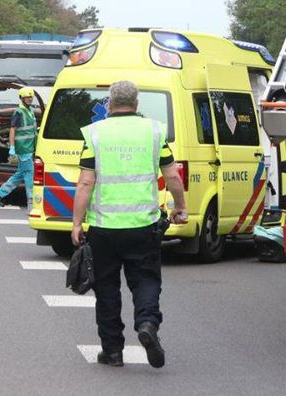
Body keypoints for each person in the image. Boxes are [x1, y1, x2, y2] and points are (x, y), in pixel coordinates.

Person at [71, 80, 188, 369]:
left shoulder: (95, 134)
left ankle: (112, 352)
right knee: (146, 281)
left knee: (107, 289)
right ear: (137, 105)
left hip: (104, 229)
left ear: (109, 104)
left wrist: (76, 222)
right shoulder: (154, 131)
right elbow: (172, 176)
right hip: (143, 225)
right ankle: (147, 323)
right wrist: (180, 208)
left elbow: (86, 181)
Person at [0, 87, 39, 206]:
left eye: (30, 97)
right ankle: (32, 202)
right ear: (21, 98)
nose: (29, 99)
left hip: (29, 148)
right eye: (26, 97)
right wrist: (12, 147)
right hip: (23, 149)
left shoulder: (30, 111)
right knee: (29, 176)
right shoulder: (19, 112)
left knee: (19, 175)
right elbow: (12, 130)